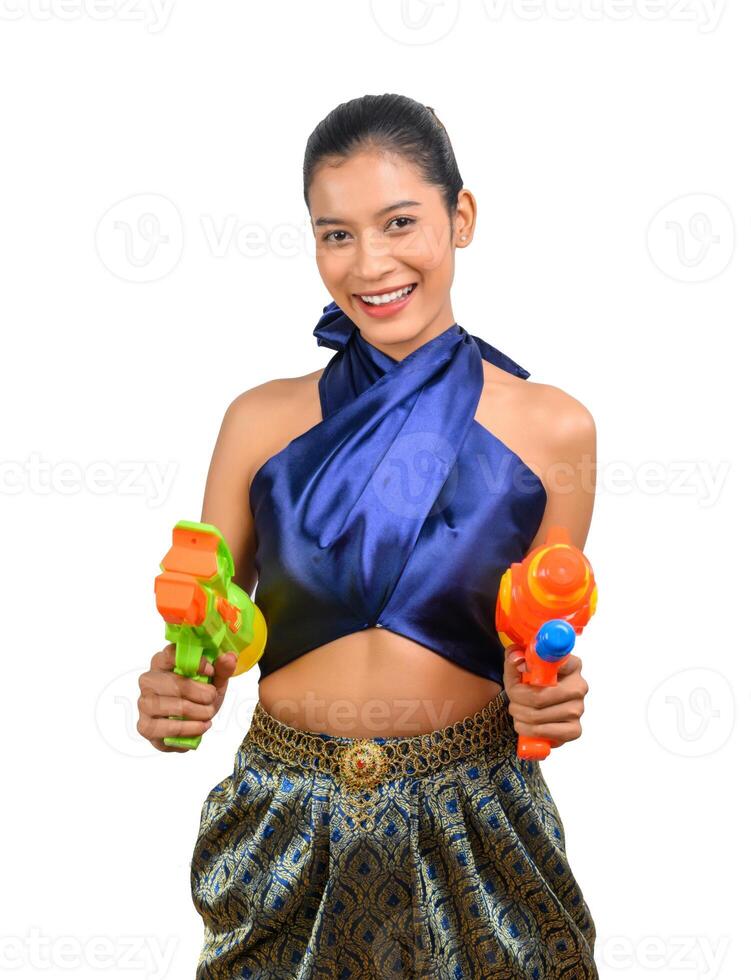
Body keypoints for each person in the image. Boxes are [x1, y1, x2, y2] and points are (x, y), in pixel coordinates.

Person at [137, 93, 599, 979]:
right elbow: (203, 636)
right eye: (335, 234)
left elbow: (542, 639)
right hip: (283, 814)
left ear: (459, 218)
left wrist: (546, 696)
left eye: (399, 222)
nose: (369, 262)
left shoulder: (555, 430)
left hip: (478, 819)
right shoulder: (257, 421)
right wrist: (174, 691)